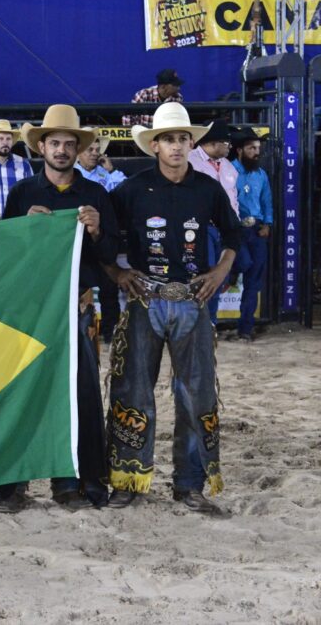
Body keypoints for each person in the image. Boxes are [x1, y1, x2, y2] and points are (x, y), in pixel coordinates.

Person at [104, 102, 240, 515]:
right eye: (169, 139)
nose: (177, 146)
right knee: (133, 389)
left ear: (190, 143)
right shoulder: (131, 189)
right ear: (155, 146)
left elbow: (234, 234)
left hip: (192, 302)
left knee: (195, 393)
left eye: (183, 139)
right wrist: (117, 274)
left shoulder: (207, 188)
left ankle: (190, 483)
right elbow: (103, 240)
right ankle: (129, 479)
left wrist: (219, 272)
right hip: (146, 301)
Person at [0, 104, 119, 512]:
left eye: (70, 144)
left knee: (82, 393)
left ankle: (75, 480)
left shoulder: (96, 195)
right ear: (42, 147)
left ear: (77, 149)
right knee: (25, 391)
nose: (63, 150)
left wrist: (98, 229)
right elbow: (6, 255)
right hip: (32, 306)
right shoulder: (22, 195)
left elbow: (111, 254)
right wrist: (23, 228)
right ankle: (15, 481)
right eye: (56, 143)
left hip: (78, 304)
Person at [188, 118, 239, 326]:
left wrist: (234, 224)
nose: (229, 146)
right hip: (200, 226)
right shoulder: (190, 160)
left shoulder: (228, 167)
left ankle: (211, 322)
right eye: (226, 143)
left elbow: (233, 198)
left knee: (219, 275)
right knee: (204, 273)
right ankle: (201, 322)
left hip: (224, 227)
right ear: (213, 143)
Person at [75, 130, 125, 341]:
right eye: (90, 150)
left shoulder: (105, 175)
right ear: (78, 153)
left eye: (97, 150)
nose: (95, 153)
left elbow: (122, 187)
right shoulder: (74, 175)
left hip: (101, 237)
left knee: (108, 288)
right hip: (78, 242)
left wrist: (111, 171)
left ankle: (109, 331)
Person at [230, 127, 272, 342]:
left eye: (258, 148)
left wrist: (268, 224)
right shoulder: (228, 171)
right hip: (236, 231)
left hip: (256, 229)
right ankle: (230, 274)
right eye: (251, 148)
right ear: (239, 150)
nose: (256, 152)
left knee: (253, 281)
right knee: (243, 264)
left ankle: (245, 329)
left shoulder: (261, 174)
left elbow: (267, 201)